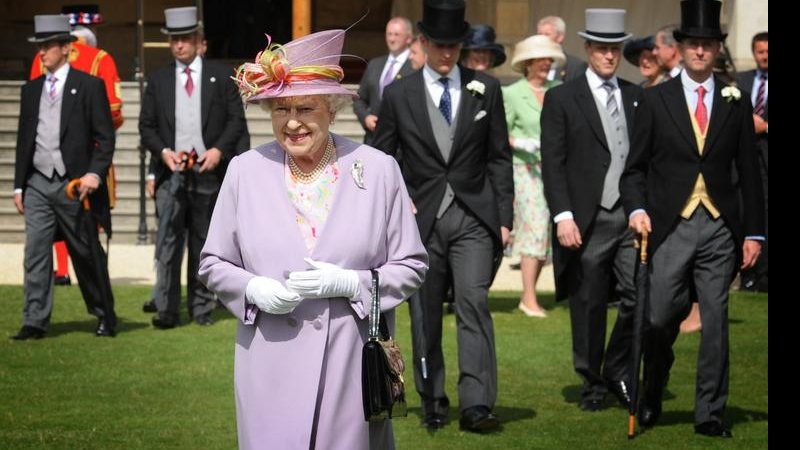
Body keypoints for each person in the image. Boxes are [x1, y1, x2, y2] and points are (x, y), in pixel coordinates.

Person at [197, 28, 428, 449]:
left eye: (306, 107)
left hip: (349, 367)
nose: (293, 121)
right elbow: (213, 262)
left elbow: (411, 265)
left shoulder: (378, 170)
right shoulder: (244, 171)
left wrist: (352, 283)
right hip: (269, 367)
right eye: (280, 109)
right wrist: (252, 288)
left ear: (333, 110)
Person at [621, 0, 764, 437]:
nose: (701, 51)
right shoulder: (654, 98)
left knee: (716, 322)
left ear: (716, 50)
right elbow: (634, 169)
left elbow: (749, 169)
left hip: (721, 227)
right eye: (694, 44)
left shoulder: (734, 101)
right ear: (680, 49)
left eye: (708, 45)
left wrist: (755, 231)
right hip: (670, 225)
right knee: (660, 318)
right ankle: (653, 389)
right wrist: (638, 209)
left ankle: (710, 413)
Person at [373, 0, 514, 432]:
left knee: (474, 304)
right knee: (425, 314)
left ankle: (477, 404)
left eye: (454, 44)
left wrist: (504, 215)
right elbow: (383, 159)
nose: (447, 52)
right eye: (439, 44)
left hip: (475, 218)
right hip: (421, 222)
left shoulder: (485, 88)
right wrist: (400, 201)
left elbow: (499, 158)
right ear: (423, 42)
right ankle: (432, 398)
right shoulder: (398, 94)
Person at [540, 8, 640, 412]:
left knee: (642, 296)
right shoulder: (562, 97)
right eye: (601, 48)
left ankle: (617, 367)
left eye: (615, 48)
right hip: (586, 216)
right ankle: (592, 382)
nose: (609, 56)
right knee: (589, 304)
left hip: (631, 214)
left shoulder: (636, 96)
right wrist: (563, 214)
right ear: (587, 49)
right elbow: (553, 160)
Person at [139, 6, 249, 328]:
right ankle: (167, 310)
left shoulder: (220, 77)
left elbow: (235, 122)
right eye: (174, 39)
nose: (179, 45)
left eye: (185, 39)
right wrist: (162, 152)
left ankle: (201, 308)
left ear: (198, 40)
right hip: (170, 174)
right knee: (169, 243)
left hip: (208, 173)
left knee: (203, 242)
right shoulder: (158, 81)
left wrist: (217, 150)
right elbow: (146, 126)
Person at [11, 14, 116, 340]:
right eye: (39, 47)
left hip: (75, 185)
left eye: (47, 47)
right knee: (36, 254)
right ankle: (34, 321)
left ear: (65, 48)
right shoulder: (31, 90)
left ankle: (103, 315)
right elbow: (24, 139)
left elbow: (106, 138)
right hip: (39, 182)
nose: (41, 53)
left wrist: (94, 175)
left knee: (86, 254)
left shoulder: (89, 86)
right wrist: (19, 184)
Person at [29, 4, 124, 288]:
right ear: (92, 30)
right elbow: (114, 111)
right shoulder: (101, 57)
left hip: (47, 157)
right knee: (87, 225)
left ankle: (61, 271)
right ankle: (94, 286)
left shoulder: (39, 58)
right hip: (90, 157)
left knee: (46, 229)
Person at [503, 35, 564, 318]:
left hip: (554, 171)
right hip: (525, 171)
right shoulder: (514, 93)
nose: (547, 64)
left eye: (550, 60)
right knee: (535, 230)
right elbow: (500, 133)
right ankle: (528, 298)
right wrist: (522, 143)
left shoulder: (559, 89)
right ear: (529, 63)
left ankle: (531, 295)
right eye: (542, 60)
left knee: (544, 235)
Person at [736, 31, 768, 292]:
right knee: (748, 208)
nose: (764, 55)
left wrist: (764, 127)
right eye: (760, 51)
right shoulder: (743, 80)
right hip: (746, 157)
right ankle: (749, 273)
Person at [353, 16, 416, 146]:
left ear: (409, 38)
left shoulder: (415, 65)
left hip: (402, 145)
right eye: (389, 34)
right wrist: (366, 117)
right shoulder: (375, 64)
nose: (392, 39)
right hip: (373, 140)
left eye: (397, 34)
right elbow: (359, 99)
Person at [537, 15, 588, 82]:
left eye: (547, 34)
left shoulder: (576, 66)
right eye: (539, 34)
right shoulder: (531, 63)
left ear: (560, 37)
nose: (542, 38)